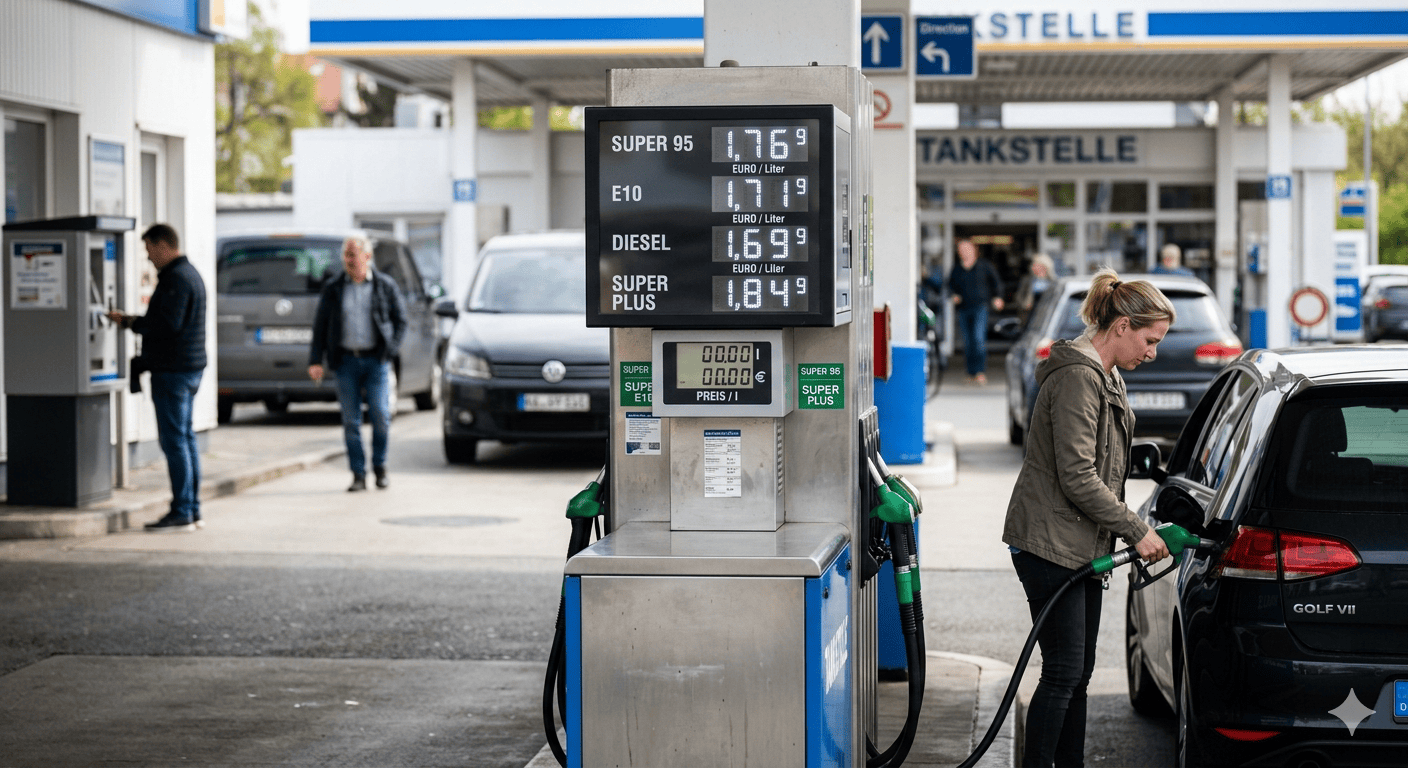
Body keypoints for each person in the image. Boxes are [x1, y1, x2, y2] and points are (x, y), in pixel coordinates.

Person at [1002, 269, 1175, 768]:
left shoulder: (1107, 374)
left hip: (1081, 545)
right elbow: (1077, 475)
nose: (1153, 352)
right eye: (1149, 339)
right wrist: (1136, 529)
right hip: (1049, 543)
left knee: (1077, 673)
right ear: (1121, 326)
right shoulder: (1080, 376)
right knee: (1062, 673)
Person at [107, 224, 207, 533]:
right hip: (188, 369)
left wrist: (132, 322)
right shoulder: (190, 274)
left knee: (175, 441)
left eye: (149, 250)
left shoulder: (176, 279)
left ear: (163, 245)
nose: (148, 258)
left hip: (173, 372)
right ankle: (191, 509)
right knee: (186, 439)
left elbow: (166, 325)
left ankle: (182, 510)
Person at [308, 235, 407, 492]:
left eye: (355, 255)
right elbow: (321, 326)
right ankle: (358, 474)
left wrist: (391, 349)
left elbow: (401, 320)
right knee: (351, 422)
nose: (351, 261)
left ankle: (380, 466)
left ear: (367, 256)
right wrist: (315, 360)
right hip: (346, 362)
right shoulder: (334, 288)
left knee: (381, 416)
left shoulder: (384, 286)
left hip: (376, 361)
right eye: (347, 256)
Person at [947, 239, 1004, 384]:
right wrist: (953, 295)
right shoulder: (957, 269)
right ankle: (970, 372)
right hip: (963, 309)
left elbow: (996, 282)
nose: (964, 252)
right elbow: (949, 286)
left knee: (979, 340)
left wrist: (998, 297)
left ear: (974, 250)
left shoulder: (984, 266)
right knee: (967, 342)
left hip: (980, 307)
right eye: (961, 249)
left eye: (967, 249)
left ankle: (980, 372)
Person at [1015, 253, 1057, 323]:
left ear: (1043, 266)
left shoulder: (1053, 281)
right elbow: (1018, 297)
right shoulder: (1026, 280)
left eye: (1035, 264)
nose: (1032, 267)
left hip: (1046, 317)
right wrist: (1025, 304)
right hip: (1030, 316)